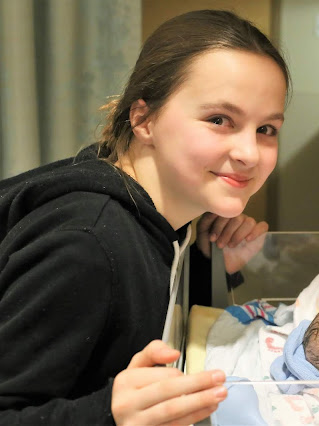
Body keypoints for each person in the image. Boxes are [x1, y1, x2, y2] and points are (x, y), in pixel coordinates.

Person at [0, 9, 289, 425]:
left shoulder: (173, 218)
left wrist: (209, 263)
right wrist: (109, 415)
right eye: (219, 120)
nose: (249, 153)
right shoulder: (88, 243)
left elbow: (147, 320)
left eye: (266, 129)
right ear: (143, 119)